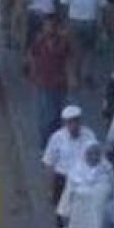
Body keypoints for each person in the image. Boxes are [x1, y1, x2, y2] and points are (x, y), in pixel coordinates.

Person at [45, 104, 98, 219]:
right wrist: (50, 189)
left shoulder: (89, 135)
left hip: (83, 180)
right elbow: (49, 163)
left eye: (76, 121)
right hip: (63, 180)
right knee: (62, 213)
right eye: (70, 122)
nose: (74, 126)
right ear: (65, 123)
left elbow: (96, 158)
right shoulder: (57, 138)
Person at [60, 0, 110, 90]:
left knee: (75, 51)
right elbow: (103, 7)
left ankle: (75, 78)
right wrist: (104, 26)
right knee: (90, 50)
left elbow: (63, 4)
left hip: (74, 21)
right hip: (90, 22)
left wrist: (64, 22)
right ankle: (88, 75)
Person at [32, 16, 74, 146]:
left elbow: (69, 59)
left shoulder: (63, 42)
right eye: (47, 26)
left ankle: (55, 140)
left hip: (60, 83)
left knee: (58, 114)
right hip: (44, 83)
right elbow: (33, 58)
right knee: (46, 115)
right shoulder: (39, 41)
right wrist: (34, 75)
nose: (49, 29)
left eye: (51, 26)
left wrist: (72, 77)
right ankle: (45, 141)